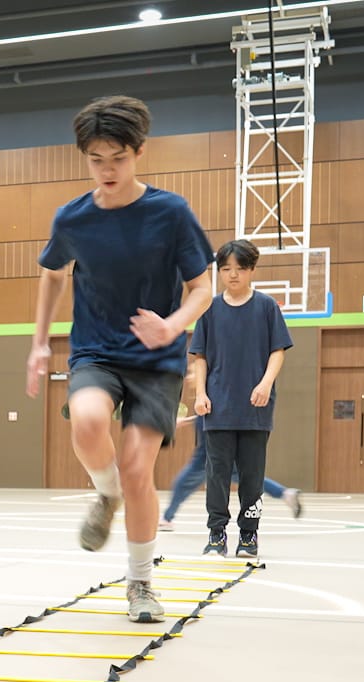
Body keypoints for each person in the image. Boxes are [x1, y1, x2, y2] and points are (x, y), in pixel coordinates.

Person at [23, 95, 214, 622]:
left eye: (119, 159)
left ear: (140, 153)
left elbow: (203, 288)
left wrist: (172, 325)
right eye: (96, 160)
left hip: (157, 358)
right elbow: (54, 273)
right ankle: (105, 496)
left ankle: (141, 582)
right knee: (86, 423)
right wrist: (40, 341)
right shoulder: (74, 218)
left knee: (136, 467)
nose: (108, 170)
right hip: (95, 349)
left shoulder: (170, 213)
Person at [189, 239, 294, 558]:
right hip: (217, 407)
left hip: (255, 408)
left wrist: (264, 383)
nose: (233, 275)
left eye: (240, 269)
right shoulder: (209, 309)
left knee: (252, 475)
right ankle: (216, 534)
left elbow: (278, 351)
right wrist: (200, 393)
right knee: (216, 474)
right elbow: (200, 356)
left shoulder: (266, 307)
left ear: (251, 270)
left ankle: (249, 536)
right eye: (226, 269)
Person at [159, 412, 303, 530]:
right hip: (217, 451)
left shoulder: (210, 390)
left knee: (182, 483)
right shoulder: (208, 395)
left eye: (192, 376)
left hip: (208, 454)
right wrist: (186, 420)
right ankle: (285, 493)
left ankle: (167, 518)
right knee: (247, 478)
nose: (190, 379)